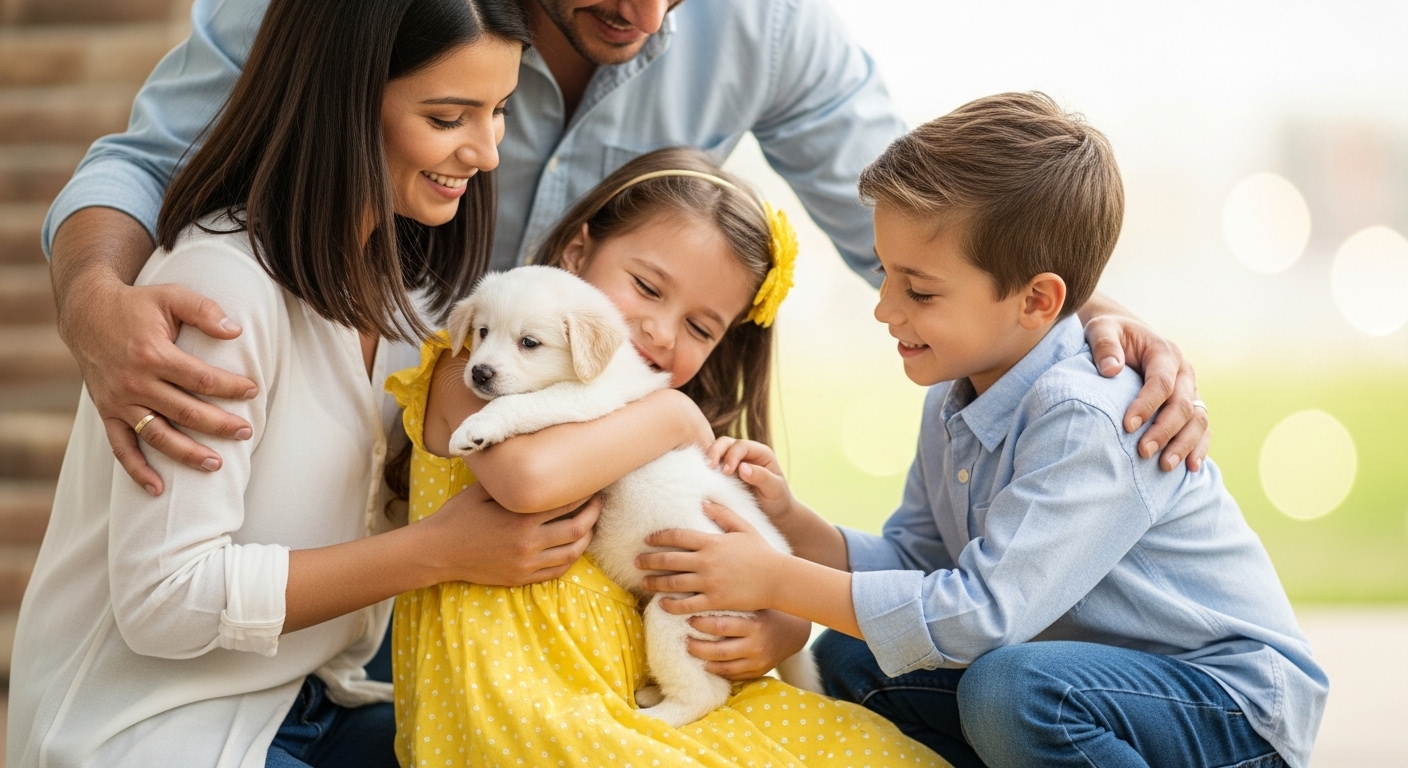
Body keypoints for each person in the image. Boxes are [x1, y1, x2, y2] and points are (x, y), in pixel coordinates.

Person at [43, 0, 1209, 518]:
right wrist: (94, 296)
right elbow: (148, 157)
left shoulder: (772, 27)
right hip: (337, 465)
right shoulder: (358, 12)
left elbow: (928, 239)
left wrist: (1081, 316)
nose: (646, 17)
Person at [633, 93, 1329, 768]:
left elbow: (981, 615)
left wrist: (776, 579)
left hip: (1226, 708)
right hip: (1073, 678)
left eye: (919, 290)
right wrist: (791, 521)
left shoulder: (1089, 418)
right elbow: (919, 562)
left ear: (1037, 301)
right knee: (851, 657)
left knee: (1014, 693)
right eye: (884, 274)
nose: (884, 309)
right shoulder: (955, 395)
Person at [3, 2, 594, 766]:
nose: (486, 152)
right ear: (344, 102)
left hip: (312, 703)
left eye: (499, 111)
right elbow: (166, 601)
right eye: (450, 117)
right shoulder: (222, 291)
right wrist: (440, 551)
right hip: (152, 733)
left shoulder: (411, 295)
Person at [386, 146, 945, 766]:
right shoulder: (474, 365)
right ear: (577, 253)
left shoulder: (651, 436)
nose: (659, 331)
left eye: (701, 328)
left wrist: (776, 630)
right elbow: (528, 479)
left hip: (634, 684)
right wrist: (675, 414)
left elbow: (739, 566)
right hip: (519, 699)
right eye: (648, 287)